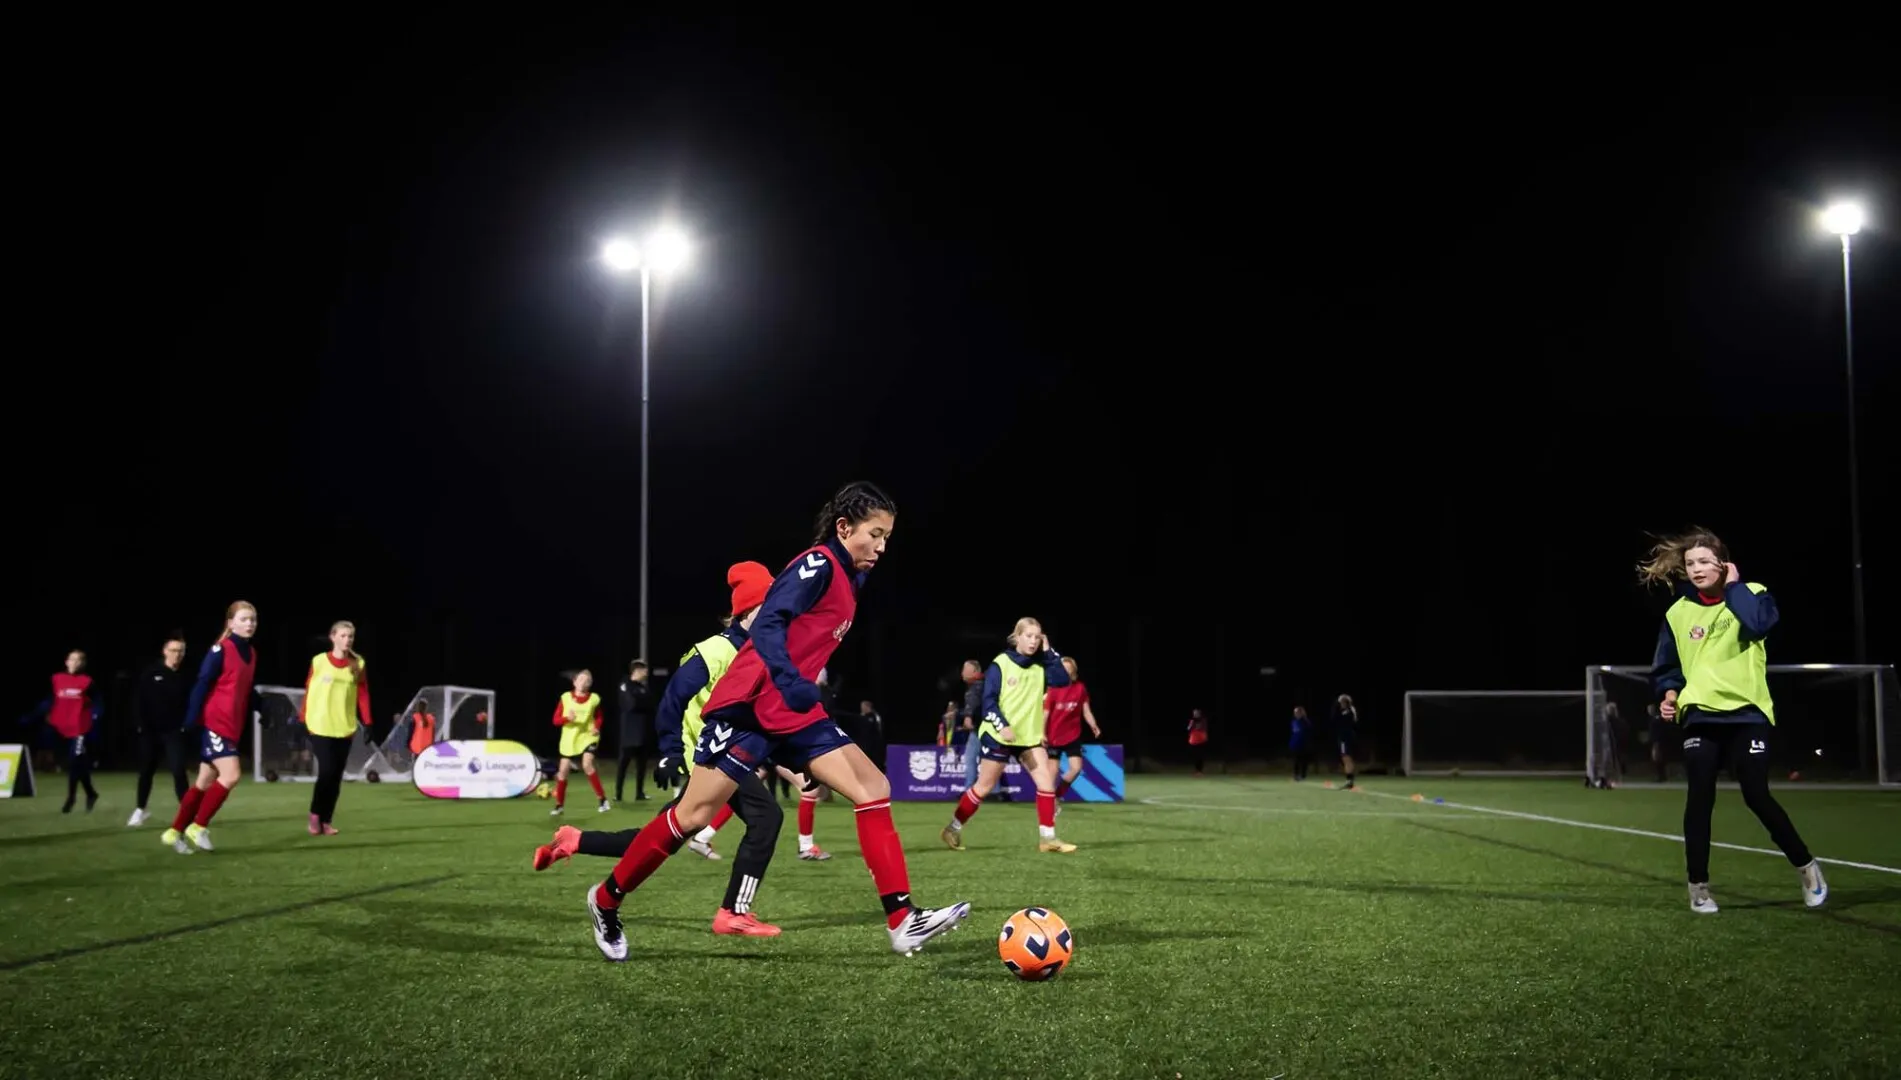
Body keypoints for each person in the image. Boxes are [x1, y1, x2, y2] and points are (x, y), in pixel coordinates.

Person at [583, 482, 970, 961]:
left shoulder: (852, 576)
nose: (883, 546)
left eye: (888, 536)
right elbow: (768, 623)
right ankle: (604, 900)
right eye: (876, 534)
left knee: (873, 787)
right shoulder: (818, 564)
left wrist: (798, 692)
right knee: (692, 817)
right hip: (749, 704)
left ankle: (902, 921)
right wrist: (789, 680)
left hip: (793, 712)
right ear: (845, 528)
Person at [537, 561, 797, 936]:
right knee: (767, 816)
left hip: (727, 759)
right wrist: (670, 752)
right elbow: (672, 701)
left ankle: (575, 840)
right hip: (708, 761)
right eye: (767, 607)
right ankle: (733, 911)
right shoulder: (714, 651)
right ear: (746, 611)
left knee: (660, 836)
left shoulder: (762, 654)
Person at [1639, 528, 1827, 914]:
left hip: (1747, 713)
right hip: (1701, 716)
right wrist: (1670, 696)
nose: (1696, 569)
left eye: (1704, 561)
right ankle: (1699, 888)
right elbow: (1667, 668)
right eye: (1690, 563)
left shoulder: (1752, 594)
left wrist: (1735, 586)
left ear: (1724, 563)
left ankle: (1807, 868)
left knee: (1756, 795)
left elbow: (1760, 625)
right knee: (1699, 799)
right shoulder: (1678, 613)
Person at [940, 617, 1076, 853]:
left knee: (1046, 782)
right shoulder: (1000, 664)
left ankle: (1048, 838)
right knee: (982, 788)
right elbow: (989, 702)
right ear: (1017, 637)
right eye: (1029, 636)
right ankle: (953, 828)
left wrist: (1048, 650)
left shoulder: (1042, 663)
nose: (1033, 641)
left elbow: (1063, 681)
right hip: (999, 736)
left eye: (1037, 637)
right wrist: (1002, 725)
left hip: (1028, 738)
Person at [165, 601, 263, 853]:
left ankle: (174, 832)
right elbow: (202, 684)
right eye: (243, 619)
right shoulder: (221, 649)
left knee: (203, 782)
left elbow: (245, 688)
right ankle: (198, 826)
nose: (249, 623)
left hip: (233, 724)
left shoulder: (251, 654)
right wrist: (190, 719)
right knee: (231, 775)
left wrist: (262, 708)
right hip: (216, 722)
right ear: (230, 624)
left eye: (252, 619)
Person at [299, 620, 373, 834]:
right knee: (327, 771)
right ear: (332, 637)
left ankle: (326, 821)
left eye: (350, 636)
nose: (347, 640)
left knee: (336, 775)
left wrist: (368, 722)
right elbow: (308, 688)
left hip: (344, 727)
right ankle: (315, 814)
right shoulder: (319, 661)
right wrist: (303, 718)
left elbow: (363, 694)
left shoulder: (358, 663)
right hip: (320, 725)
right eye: (342, 635)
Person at [129, 636, 193, 825]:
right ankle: (140, 809)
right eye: (173, 650)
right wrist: (140, 724)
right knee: (146, 771)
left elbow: (191, 703)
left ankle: (187, 813)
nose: (177, 654)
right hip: (150, 731)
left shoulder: (186, 676)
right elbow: (138, 700)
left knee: (178, 770)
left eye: (181, 651)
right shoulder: (151, 672)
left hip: (173, 731)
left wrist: (186, 725)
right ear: (165, 651)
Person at [44, 649, 101, 813]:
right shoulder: (56, 679)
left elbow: (98, 702)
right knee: (78, 765)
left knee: (75, 761)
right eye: (73, 659)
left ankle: (71, 798)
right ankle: (91, 793)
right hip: (61, 728)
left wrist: (95, 717)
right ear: (66, 662)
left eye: (79, 660)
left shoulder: (87, 682)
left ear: (83, 664)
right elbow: (50, 700)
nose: (75, 663)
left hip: (80, 729)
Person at [550, 670, 610, 815]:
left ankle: (602, 800)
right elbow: (555, 720)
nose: (584, 682)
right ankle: (559, 805)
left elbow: (599, 717)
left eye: (587, 680)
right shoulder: (565, 698)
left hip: (588, 737)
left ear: (590, 684)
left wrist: (596, 727)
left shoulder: (594, 699)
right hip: (570, 738)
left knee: (587, 764)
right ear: (575, 682)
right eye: (581, 679)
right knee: (563, 771)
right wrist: (567, 718)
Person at [1043, 655, 1101, 804]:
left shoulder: (1080, 688)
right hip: (1054, 736)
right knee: (1052, 773)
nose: (1065, 672)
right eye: (1062, 669)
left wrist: (1093, 724)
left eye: (1068, 669)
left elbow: (1086, 710)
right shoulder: (1053, 689)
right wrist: (1042, 733)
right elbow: (1046, 713)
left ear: (1073, 671)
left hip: (1073, 735)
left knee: (1076, 769)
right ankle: (1048, 802)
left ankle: (1057, 794)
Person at [614, 660, 654, 802]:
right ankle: (618, 794)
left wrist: (642, 701)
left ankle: (639, 793)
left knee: (642, 765)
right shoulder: (625, 685)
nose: (646, 674)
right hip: (629, 733)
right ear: (637, 671)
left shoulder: (643, 688)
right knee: (623, 764)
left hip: (642, 732)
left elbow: (650, 704)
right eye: (644, 671)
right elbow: (631, 704)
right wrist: (641, 701)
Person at [956, 659, 983, 796]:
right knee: (989, 759)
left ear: (974, 671)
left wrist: (967, 716)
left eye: (965, 670)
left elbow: (973, 703)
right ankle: (993, 791)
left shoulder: (977, 686)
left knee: (970, 757)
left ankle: (969, 789)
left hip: (980, 727)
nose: (962, 673)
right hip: (986, 726)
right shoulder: (982, 684)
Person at [1331, 696, 1358, 789]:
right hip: (1346, 737)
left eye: (1341, 702)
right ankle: (1350, 780)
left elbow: (1336, 719)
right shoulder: (1348, 711)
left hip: (1345, 738)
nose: (1340, 704)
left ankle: (1349, 780)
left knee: (1346, 758)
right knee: (1347, 758)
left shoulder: (1348, 712)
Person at [1290, 705, 1313, 781]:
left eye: (1297, 712)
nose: (1296, 714)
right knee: (1296, 760)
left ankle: (1303, 775)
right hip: (1295, 744)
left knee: (1303, 761)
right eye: (1295, 712)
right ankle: (1296, 775)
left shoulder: (1305, 722)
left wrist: (1307, 743)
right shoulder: (1294, 722)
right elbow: (1294, 733)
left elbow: (1308, 733)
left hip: (1303, 744)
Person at [1187, 708, 1210, 776]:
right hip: (1194, 741)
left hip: (1201, 740)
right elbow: (1188, 728)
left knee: (1200, 756)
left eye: (1196, 713)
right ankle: (1197, 770)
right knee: (1195, 756)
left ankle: (1200, 771)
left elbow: (1203, 728)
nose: (1195, 714)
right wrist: (1191, 724)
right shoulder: (1192, 721)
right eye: (1194, 713)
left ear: (1199, 714)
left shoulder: (1203, 720)